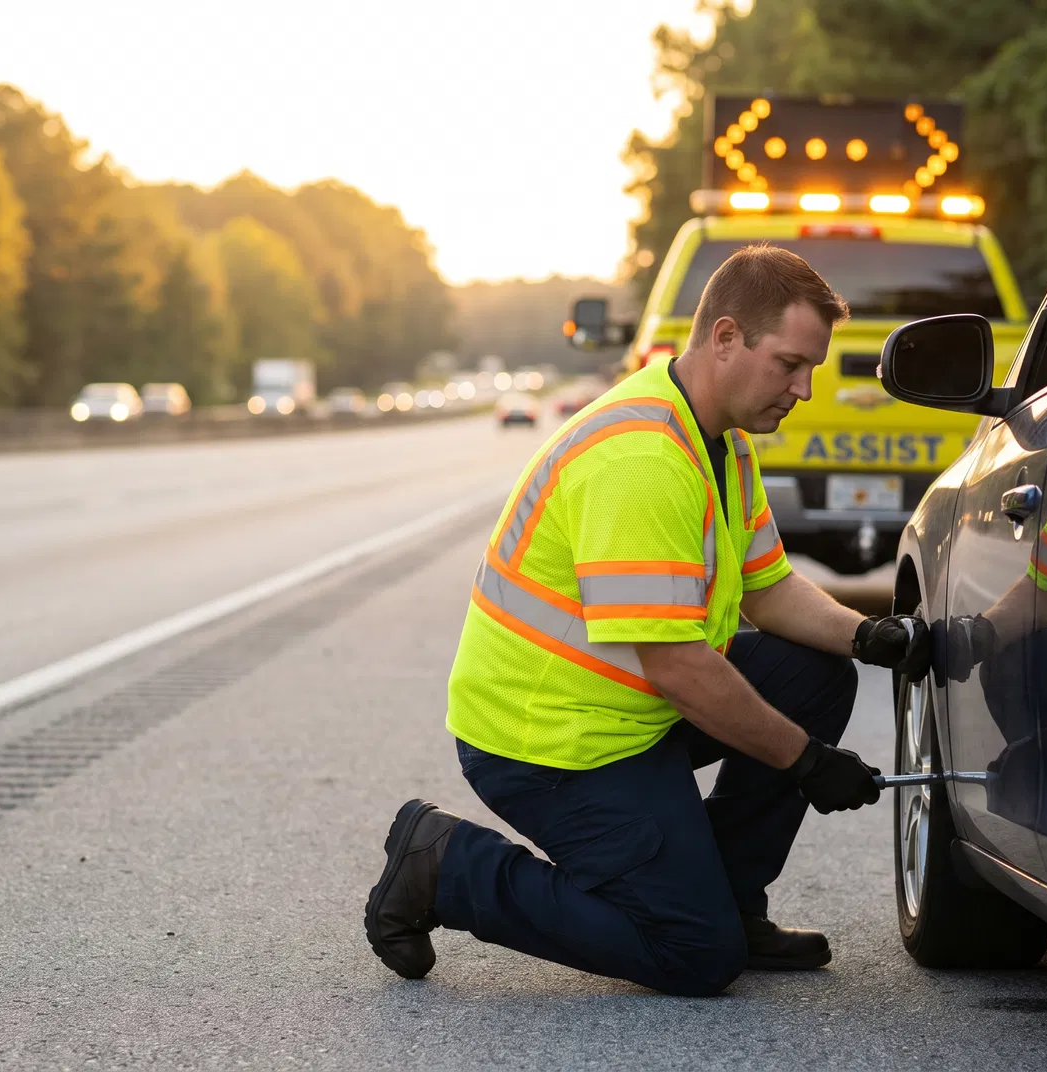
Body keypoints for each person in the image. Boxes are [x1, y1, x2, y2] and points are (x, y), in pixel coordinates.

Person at [363, 245, 932, 996]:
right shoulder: (640, 458)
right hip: (551, 743)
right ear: (726, 338)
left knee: (815, 674)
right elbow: (679, 668)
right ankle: (446, 865)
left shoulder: (720, 439)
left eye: (811, 369)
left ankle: (730, 901)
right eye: (791, 363)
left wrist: (868, 637)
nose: (803, 387)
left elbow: (769, 591)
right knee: (694, 954)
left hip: (628, 713)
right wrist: (806, 762)